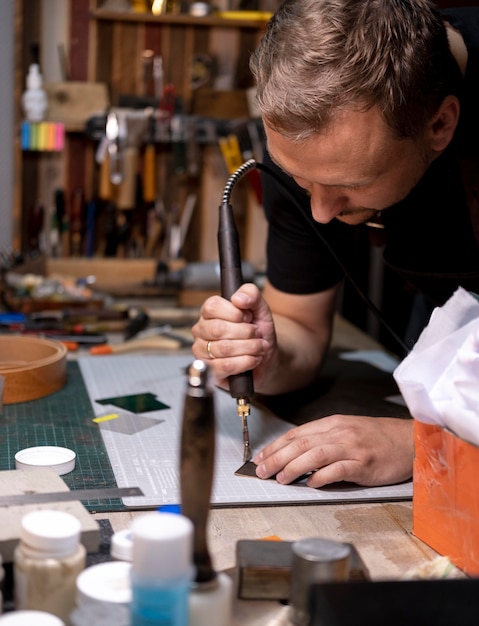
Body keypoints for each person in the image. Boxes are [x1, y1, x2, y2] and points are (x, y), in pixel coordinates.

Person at [191, 0, 479, 489]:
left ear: (439, 126)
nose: (321, 211)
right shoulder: (305, 147)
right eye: (302, 180)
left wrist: (421, 442)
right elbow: (302, 322)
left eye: (352, 184)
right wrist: (267, 356)